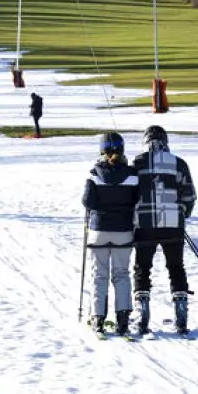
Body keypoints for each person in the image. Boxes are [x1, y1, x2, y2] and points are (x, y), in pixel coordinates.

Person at [132, 125, 198, 335]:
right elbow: (189, 195)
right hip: (174, 225)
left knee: (142, 268)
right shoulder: (179, 163)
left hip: (144, 224)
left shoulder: (137, 163)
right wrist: (183, 213)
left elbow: (129, 193)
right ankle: (181, 314)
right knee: (176, 267)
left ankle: (141, 312)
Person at [82, 132, 138, 336]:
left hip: (99, 230)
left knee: (99, 275)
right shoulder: (132, 175)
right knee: (122, 274)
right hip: (123, 230)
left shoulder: (94, 174)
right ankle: (123, 319)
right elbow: (135, 200)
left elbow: (87, 202)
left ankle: (97, 317)